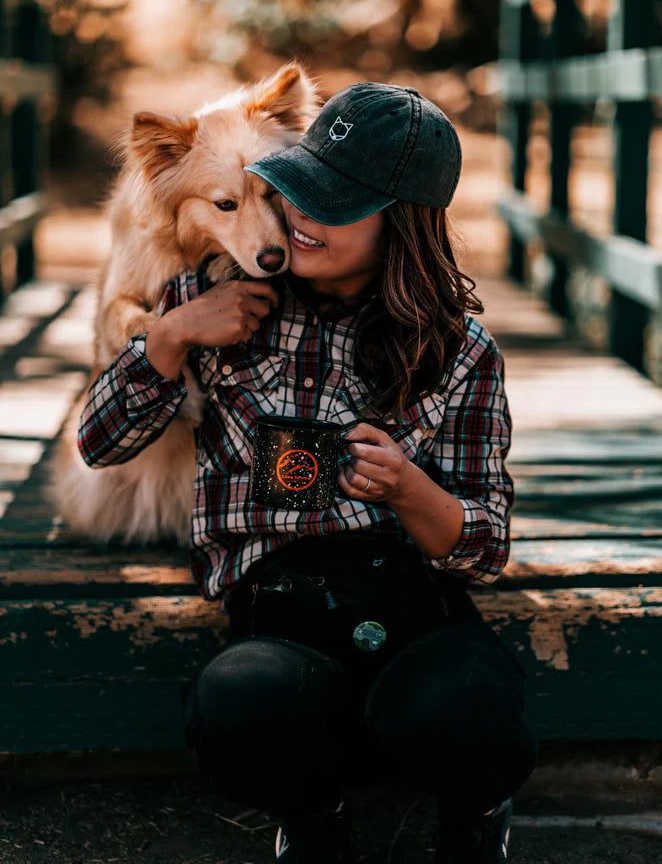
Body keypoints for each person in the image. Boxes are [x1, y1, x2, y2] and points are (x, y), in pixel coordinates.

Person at [78, 82, 538, 863]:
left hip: (410, 599)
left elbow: (482, 548)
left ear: (402, 223)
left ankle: (475, 812)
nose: (296, 216)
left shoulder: (460, 353)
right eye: (298, 188)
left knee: (467, 704)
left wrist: (411, 490)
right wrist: (169, 337)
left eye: (334, 203)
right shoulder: (218, 297)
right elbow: (99, 444)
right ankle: (313, 818)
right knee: (241, 700)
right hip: (279, 606)